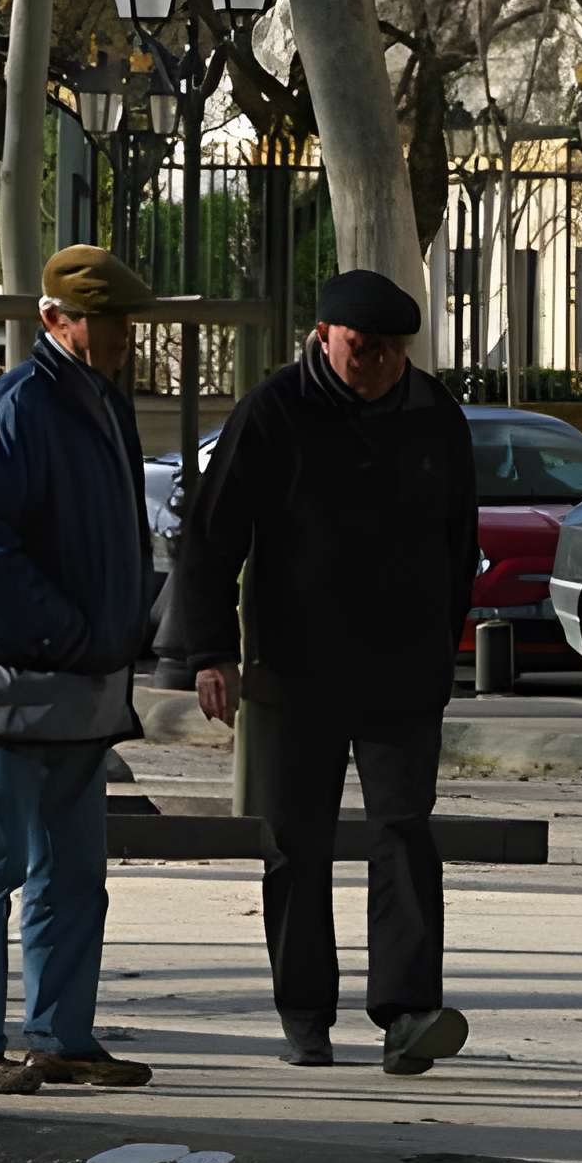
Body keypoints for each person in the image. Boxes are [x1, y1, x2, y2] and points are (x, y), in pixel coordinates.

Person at [174, 269, 478, 1074]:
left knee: (404, 832)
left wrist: (442, 648)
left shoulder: (433, 414)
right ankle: (305, 1011)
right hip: (295, 668)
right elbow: (212, 537)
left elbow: (459, 540)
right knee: (296, 842)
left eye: (393, 351)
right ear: (323, 338)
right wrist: (211, 653)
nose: (378, 364)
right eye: (362, 348)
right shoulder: (274, 411)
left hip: (402, 669)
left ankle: (407, 1012)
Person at [0, 246, 157, 1095]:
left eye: (124, 320)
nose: (123, 335)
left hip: (72, 685)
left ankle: (62, 1036)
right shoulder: (18, 406)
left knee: (73, 876)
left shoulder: (97, 402)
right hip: (13, 687)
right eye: (108, 320)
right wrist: (62, 630)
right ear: (57, 321)